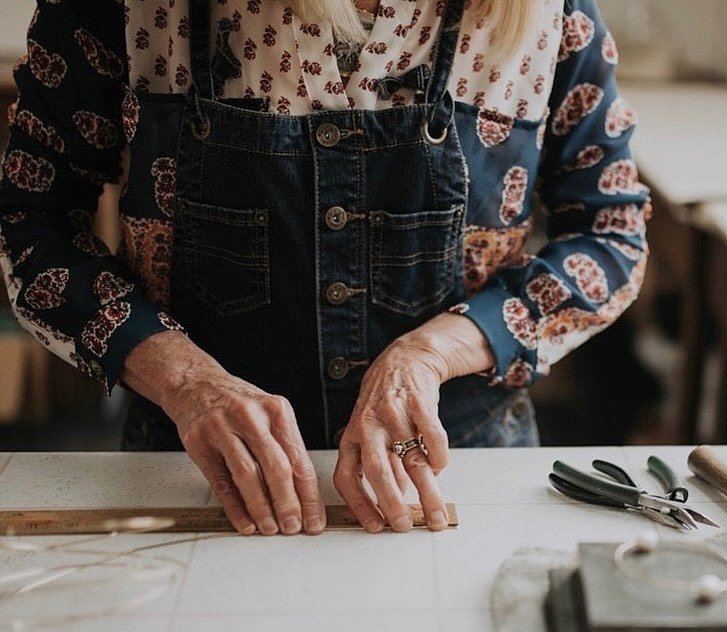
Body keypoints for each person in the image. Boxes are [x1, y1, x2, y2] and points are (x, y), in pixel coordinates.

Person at [0, 0, 650, 536]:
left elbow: (608, 232)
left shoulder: (548, 17)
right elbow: (32, 219)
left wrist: (432, 352)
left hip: (458, 482)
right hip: (196, 484)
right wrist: (187, 381)